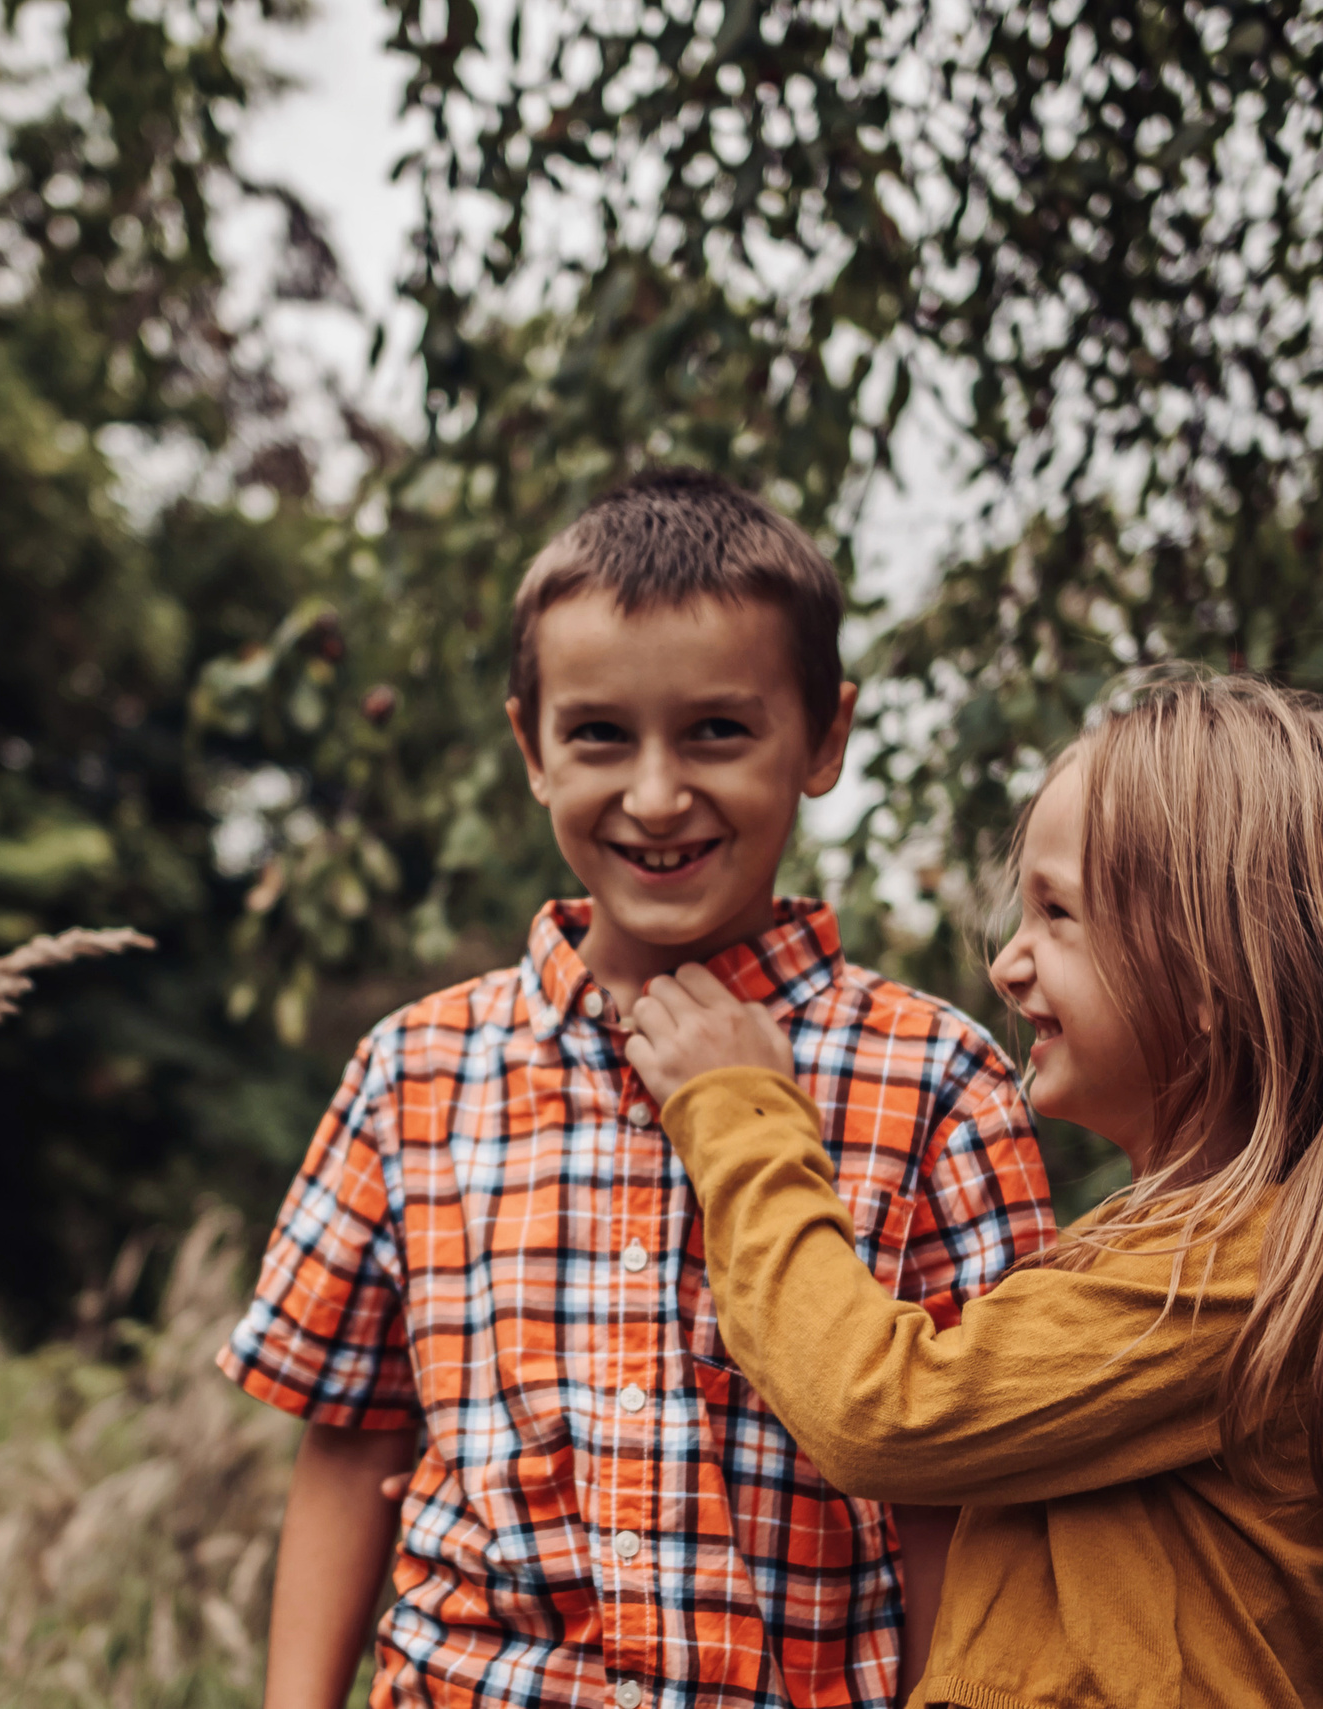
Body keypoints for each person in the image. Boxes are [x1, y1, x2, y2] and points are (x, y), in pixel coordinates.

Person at [219, 468, 1058, 1709]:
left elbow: (968, 1501)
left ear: (824, 736)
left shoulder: (937, 1084)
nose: (656, 795)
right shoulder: (415, 1074)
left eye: (718, 730)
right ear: (531, 748)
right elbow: (350, 1443)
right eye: (600, 734)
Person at [624, 672, 1323, 1709]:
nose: (1007, 964)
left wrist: (741, 1119)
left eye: (1057, 913)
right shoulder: (1180, 1248)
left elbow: (878, 1409)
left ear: (1212, 972)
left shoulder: (1230, 1272)